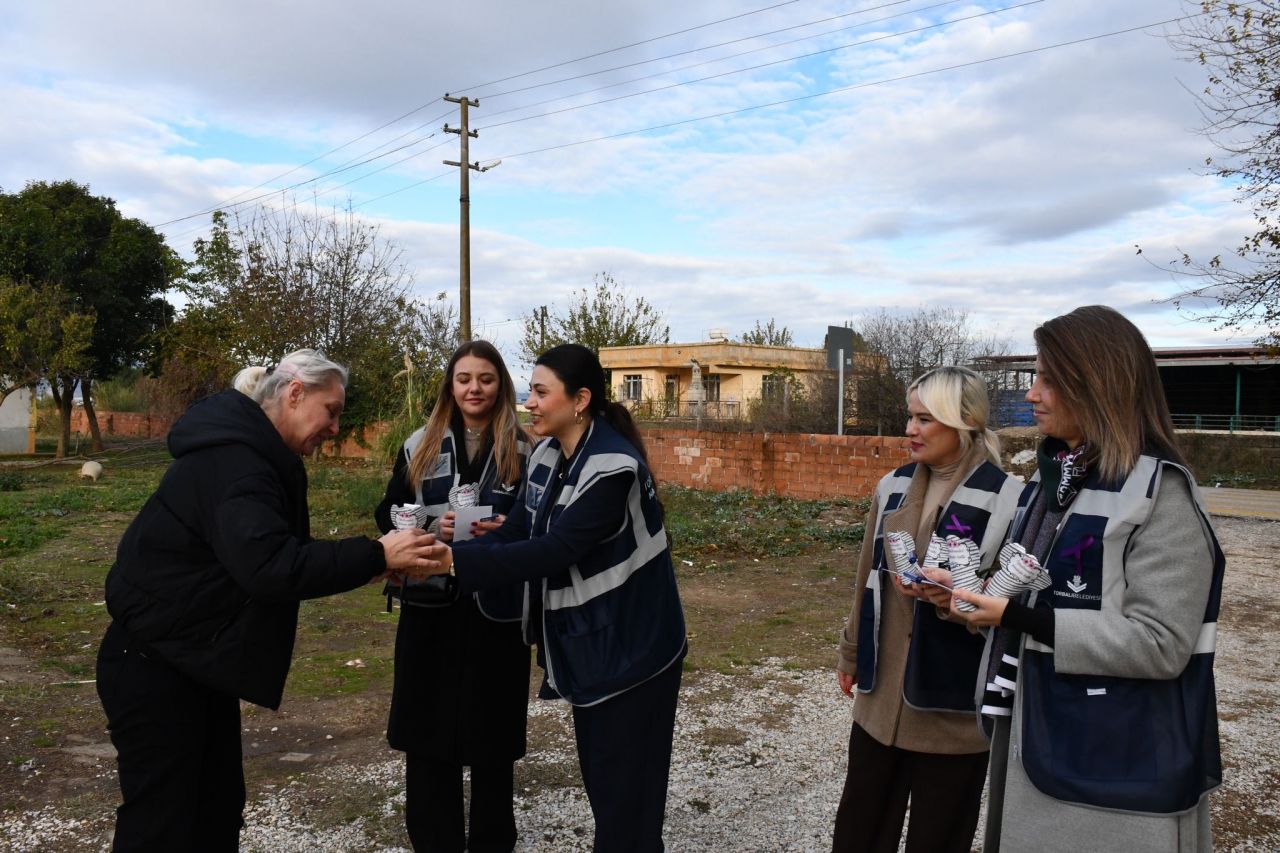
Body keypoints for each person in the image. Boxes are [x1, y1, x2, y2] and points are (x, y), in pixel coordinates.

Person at [96, 349, 439, 852]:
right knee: (164, 821)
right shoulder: (239, 464)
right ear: (295, 393)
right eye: (332, 410)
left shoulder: (252, 453)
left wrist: (375, 565)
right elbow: (270, 566)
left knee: (214, 809)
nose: (336, 427)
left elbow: (264, 558)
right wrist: (372, 555)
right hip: (155, 665)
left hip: (192, 660)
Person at [941, 306, 1224, 852]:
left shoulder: (1161, 496)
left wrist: (1018, 616)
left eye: (1048, 378)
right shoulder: (1057, 484)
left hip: (1115, 767)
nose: (1031, 394)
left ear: (1095, 383)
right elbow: (1026, 601)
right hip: (1038, 731)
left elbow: (1162, 643)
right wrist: (977, 600)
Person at [418, 343, 687, 853]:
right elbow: (518, 529)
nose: (529, 403)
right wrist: (443, 546)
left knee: (627, 800)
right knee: (606, 787)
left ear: (580, 399)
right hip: (591, 648)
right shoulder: (546, 453)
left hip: (636, 651)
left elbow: (554, 550)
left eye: (540, 393)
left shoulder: (613, 467)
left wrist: (456, 564)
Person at [832, 365, 1022, 853]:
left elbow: (1012, 605)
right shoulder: (890, 487)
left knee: (939, 836)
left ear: (963, 422)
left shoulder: (1008, 499)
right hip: (881, 699)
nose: (910, 430)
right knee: (859, 827)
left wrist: (955, 599)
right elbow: (866, 578)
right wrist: (851, 653)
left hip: (952, 709)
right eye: (909, 417)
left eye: (924, 420)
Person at [373, 340, 532, 853]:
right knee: (426, 735)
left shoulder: (527, 448)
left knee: (492, 739)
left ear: (500, 385)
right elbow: (387, 514)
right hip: (430, 608)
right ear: (450, 385)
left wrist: (509, 529)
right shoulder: (420, 442)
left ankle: (492, 842)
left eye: (485, 379)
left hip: (497, 610)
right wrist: (428, 522)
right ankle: (434, 840)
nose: (474, 389)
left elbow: (545, 523)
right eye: (464, 379)